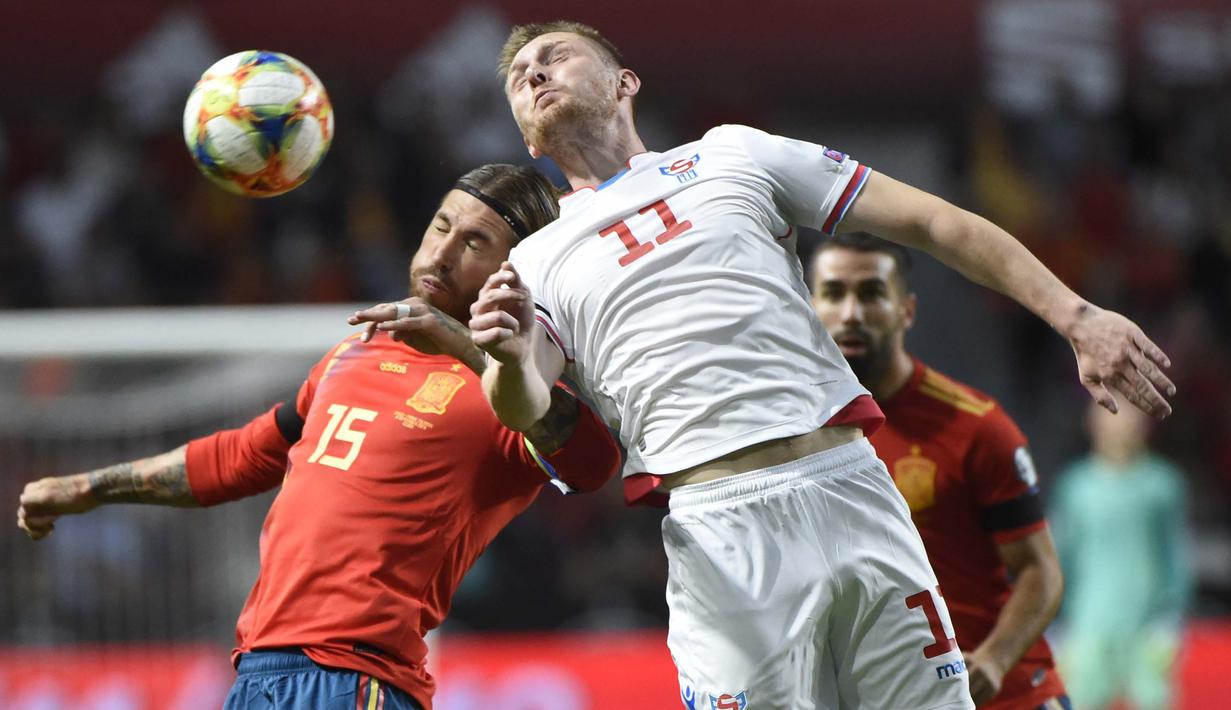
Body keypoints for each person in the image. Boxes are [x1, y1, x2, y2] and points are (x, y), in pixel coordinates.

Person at [457, 20, 1177, 710]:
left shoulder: (733, 154)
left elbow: (932, 221)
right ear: (526, 134)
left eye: (553, 55)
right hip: (720, 531)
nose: (533, 73)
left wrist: (1075, 316)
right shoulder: (534, 259)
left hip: (851, 490)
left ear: (623, 82)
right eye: (519, 77)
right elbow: (520, 404)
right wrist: (512, 356)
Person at [16, 163, 623, 710]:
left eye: (474, 244)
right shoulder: (352, 354)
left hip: (355, 677)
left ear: (513, 274)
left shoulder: (515, 386)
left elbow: (593, 462)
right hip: (259, 670)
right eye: (441, 227)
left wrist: (464, 346)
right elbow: (242, 455)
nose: (440, 254)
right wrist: (84, 489)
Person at [811, 232, 1068, 709]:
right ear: (809, 307)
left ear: (906, 310)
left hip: (1006, 696)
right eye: (834, 293)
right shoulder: (792, 433)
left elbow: (1041, 570)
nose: (851, 313)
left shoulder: (976, 426)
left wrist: (994, 658)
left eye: (870, 293)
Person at [1050, 403, 1191, 710]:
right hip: (1088, 623)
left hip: (1146, 624)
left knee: (1153, 700)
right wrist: (1056, 624)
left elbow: (1175, 556)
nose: (1122, 426)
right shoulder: (1076, 487)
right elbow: (1061, 557)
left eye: (1131, 417)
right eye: (1111, 416)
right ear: (1093, 424)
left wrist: (1171, 621)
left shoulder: (1162, 484)